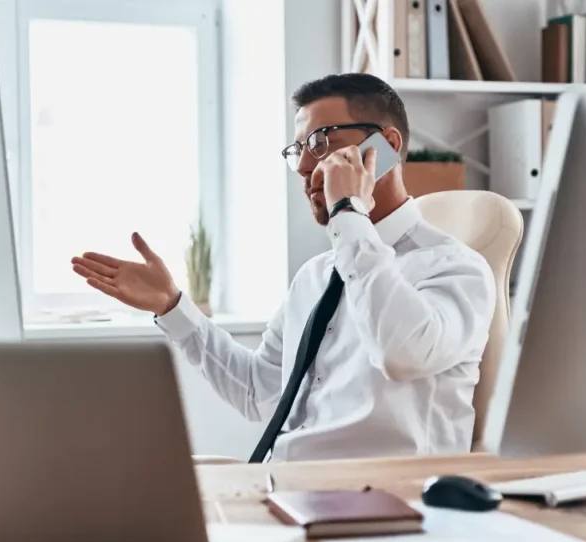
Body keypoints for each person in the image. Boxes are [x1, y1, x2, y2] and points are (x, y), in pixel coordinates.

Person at [70, 73, 496, 462]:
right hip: (287, 489)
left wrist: (349, 211)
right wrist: (173, 306)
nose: (306, 167)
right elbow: (260, 392)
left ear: (387, 145)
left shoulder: (457, 269)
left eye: (321, 143)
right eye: (299, 151)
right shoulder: (315, 276)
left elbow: (400, 353)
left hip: (382, 504)